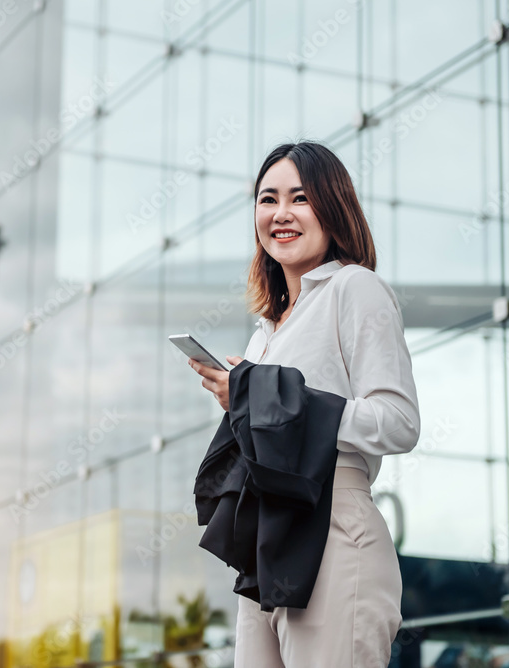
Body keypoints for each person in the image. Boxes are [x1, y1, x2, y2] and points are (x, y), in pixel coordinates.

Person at [186, 141, 421, 667]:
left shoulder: (355, 289)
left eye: (300, 198)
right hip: (269, 541)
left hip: (335, 529)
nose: (281, 214)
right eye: (268, 199)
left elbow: (400, 423)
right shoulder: (264, 333)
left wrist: (263, 397)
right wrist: (245, 399)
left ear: (332, 206)